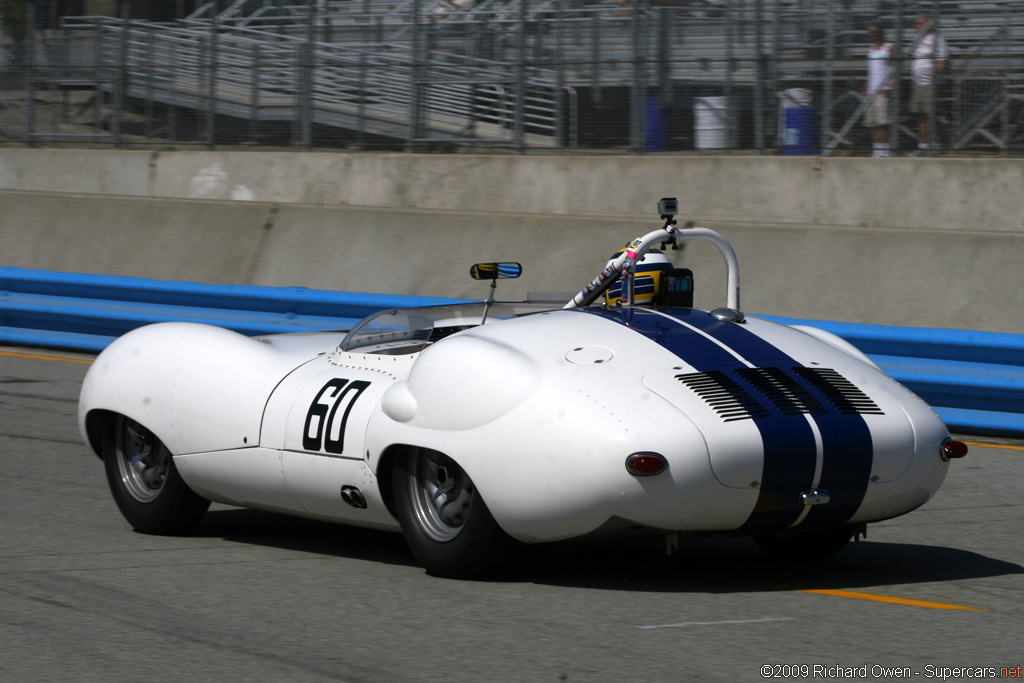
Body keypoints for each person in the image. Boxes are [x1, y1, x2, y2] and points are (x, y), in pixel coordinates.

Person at [910, 14, 949, 155]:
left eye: (918, 23)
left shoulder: (937, 40)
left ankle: (934, 144)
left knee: (929, 115)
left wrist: (933, 74)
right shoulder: (918, 41)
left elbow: (942, 63)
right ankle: (924, 145)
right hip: (918, 83)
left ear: (927, 25)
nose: (915, 26)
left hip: (930, 84)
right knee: (922, 115)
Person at [863, 22, 895, 157]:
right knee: (873, 123)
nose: (870, 35)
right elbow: (871, 71)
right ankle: (877, 151)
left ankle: (884, 152)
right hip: (872, 91)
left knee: (882, 123)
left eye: (873, 32)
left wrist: (890, 86)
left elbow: (896, 69)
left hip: (883, 90)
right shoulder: (871, 50)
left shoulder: (889, 48)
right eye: (869, 33)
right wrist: (866, 87)